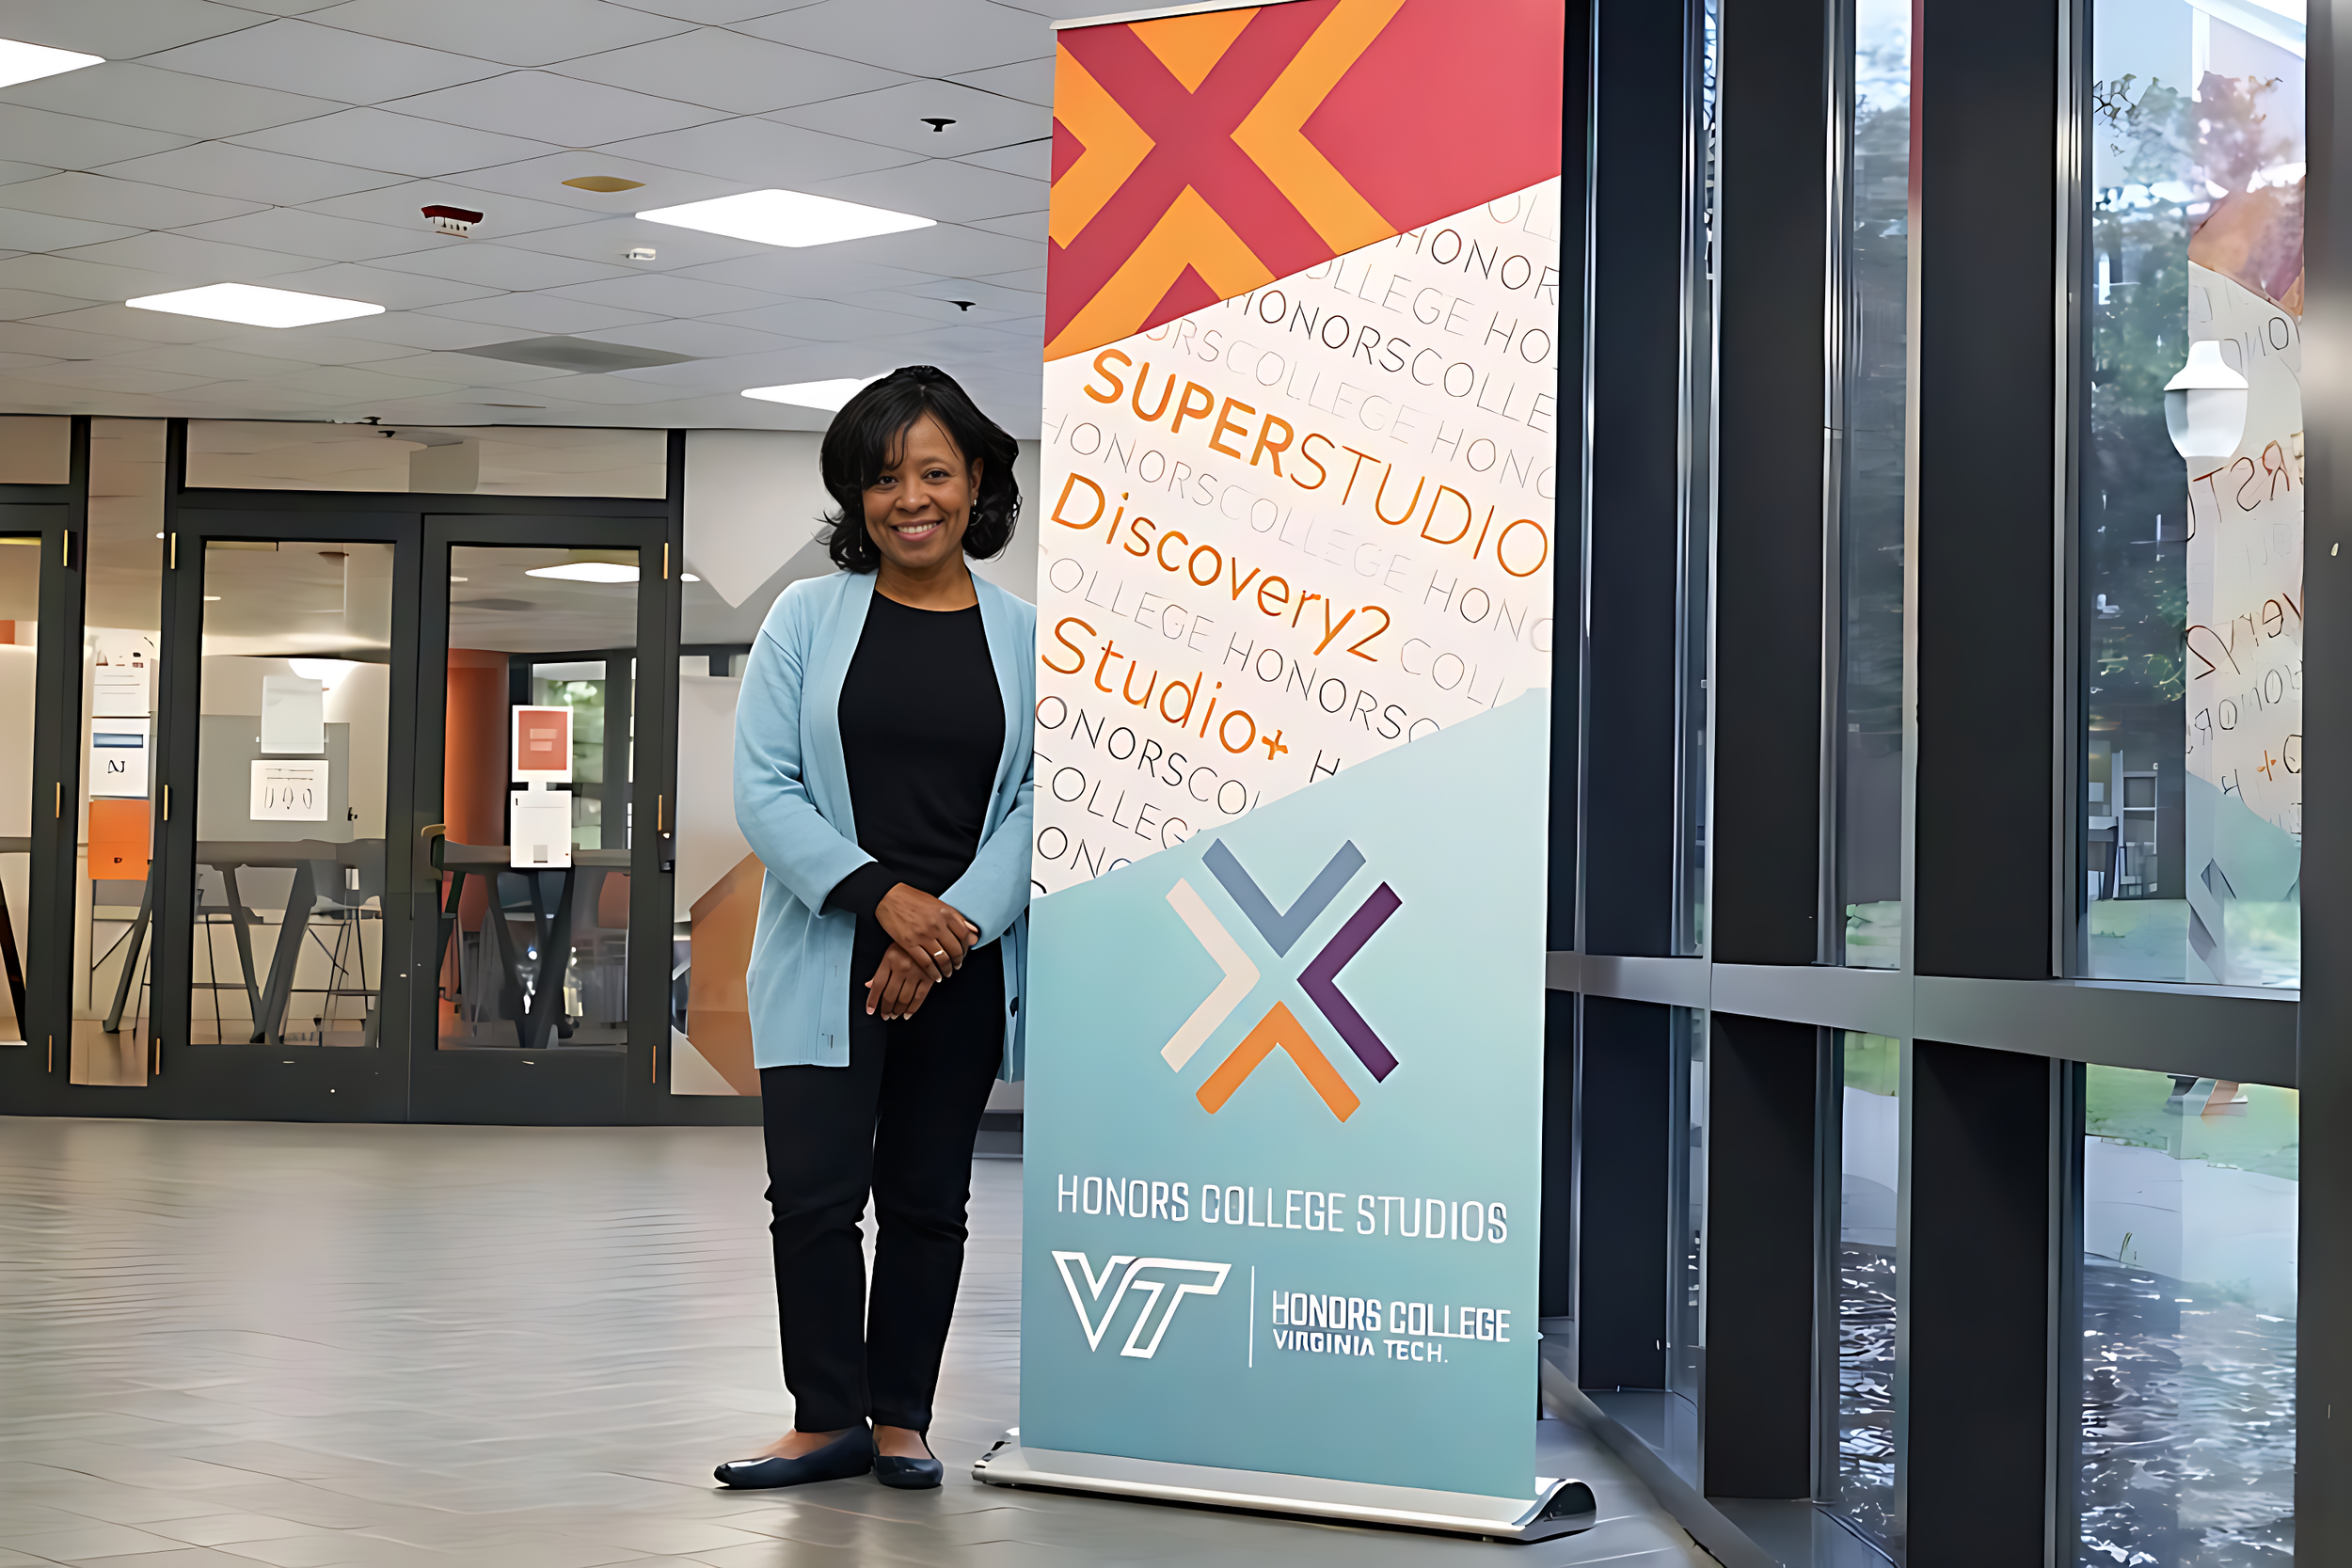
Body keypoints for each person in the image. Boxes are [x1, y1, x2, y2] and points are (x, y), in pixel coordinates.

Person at [717, 366, 1034, 1492]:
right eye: (885, 477)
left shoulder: (1025, 636)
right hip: (825, 950)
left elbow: (1038, 804)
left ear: (977, 479)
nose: (911, 498)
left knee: (924, 1201)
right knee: (811, 1196)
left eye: (934, 472)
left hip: (960, 962)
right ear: (857, 494)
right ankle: (824, 1417)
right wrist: (886, 902)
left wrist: (944, 930)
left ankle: (900, 1416)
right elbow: (764, 789)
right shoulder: (805, 618)